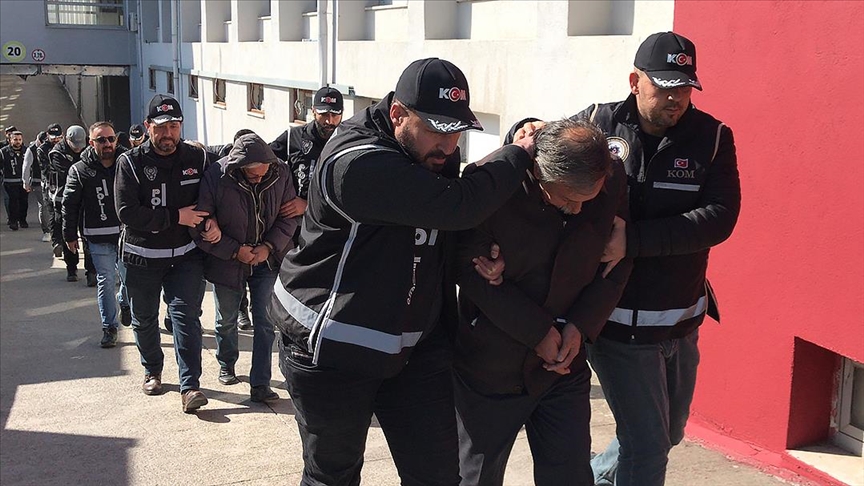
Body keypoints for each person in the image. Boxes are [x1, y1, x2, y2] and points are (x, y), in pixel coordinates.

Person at [268, 57, 536, 486]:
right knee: (333, 477)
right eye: (436, 130)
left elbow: (448, 218)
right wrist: (518, 153)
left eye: (456, 131)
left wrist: (484, 249)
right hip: (332, 349)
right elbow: (457, 205)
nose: (448, 147)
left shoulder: (428, 150)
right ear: (397, 114)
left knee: (437, 476)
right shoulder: (356, 163)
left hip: (413, 347)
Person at [572, 32, 741, 486]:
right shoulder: (597, 123)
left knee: (667, 433)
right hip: (617, 325)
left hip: (681, 320)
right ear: (635, 81)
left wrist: (634, 241)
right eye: (665, 86)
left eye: (684, 86)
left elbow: (719, 217)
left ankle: (595, 476)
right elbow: (546, 154)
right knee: (646, 449)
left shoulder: (713, 137)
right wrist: (524, 130)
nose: (675, 98)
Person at [453, 118, 632, 486]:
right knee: (474, 478)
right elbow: (468, 269)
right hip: (491, 365)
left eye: (588, 200)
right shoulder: (493, 180)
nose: (578, 211)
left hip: (564, 367)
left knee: (570, 475)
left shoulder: (610, 179)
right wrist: (536, 332)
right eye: (566, 199)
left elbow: (616, 262)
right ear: (538, 172)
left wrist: (581, 326)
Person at [115, 94, 218, 413]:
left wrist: (213, 219)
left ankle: (190, 386)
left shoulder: (197, 157)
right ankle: (152, 371)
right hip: (141, 256)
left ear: (181, 126)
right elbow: (127, 212)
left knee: (186, 318)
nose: (167, 134)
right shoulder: (130, 162)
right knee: (144, 319)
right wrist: (176, 217)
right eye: (160, 127)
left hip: (186, 256)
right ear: (148, 126)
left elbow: (216, 192)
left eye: (173, 126)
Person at [192, 133, 298, 402]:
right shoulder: (216, 176)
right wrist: (234, 250)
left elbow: (288, 218)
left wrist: (268, 247)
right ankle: (226, 363)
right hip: (228, 261)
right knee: (226, 320)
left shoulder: (281, 172)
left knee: (266, 323)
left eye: (263, 174)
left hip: (267, 260)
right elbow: (201, 221)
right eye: (253, 176)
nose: (259, 180)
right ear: (239, 167)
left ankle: (260, 384)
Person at [62, 121, 128, 347]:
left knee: (129, 279)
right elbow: (70, 204)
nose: (107, 143)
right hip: (98, 236)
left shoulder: (127, 163)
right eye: (101, 140)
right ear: (91, 143)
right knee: (106, 280)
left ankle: (125, 302)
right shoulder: (80, 170)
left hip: (127, 235)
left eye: (111, 139)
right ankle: (109, 327)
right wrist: (69, 234)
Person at [269, 86, 343, 242]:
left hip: (330, 229)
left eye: (335, 115)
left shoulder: (347, 143)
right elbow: (262, 159)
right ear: (313, 111)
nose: (329, 121)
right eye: (324, 114)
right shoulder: (293, 137)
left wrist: (309, 206)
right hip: (292, 228)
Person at [49, 125, 96, 283]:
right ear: (67, 139)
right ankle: (71, 268)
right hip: (64, 199)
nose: (78, 149)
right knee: (68, 235)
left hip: (86, 200)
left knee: (88, 235)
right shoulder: (57, 153)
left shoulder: (89, 147)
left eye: (80, 145)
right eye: (75, 145)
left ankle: (91, 271)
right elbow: (70, 174)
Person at [36, 123, 63, 243]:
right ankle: (55, 239)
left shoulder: (65, 146)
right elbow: (46, 169)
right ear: (47, 135)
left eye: (58, 136)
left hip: (65, 184)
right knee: (52, 212)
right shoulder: (42, 149)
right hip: (50, 186)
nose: (56, 139)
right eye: (53, 137)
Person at [22, 131, 51, 239]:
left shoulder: (51, 146)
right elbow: (26, 167)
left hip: (51, 181)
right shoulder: (31, 149)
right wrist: (26, 182)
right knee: (43, 205)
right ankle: (46, 231)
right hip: (37, 181)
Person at [0, 129, 29, 230]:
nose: (18, 142)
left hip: (24, 181)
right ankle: (13, 221)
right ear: (10, 140)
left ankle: (22, 220)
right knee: (13, 202)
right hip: (9, 181)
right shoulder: (3, 152)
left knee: (24, 202)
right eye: (15, 139)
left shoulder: (27, 151)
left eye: (19, 139)